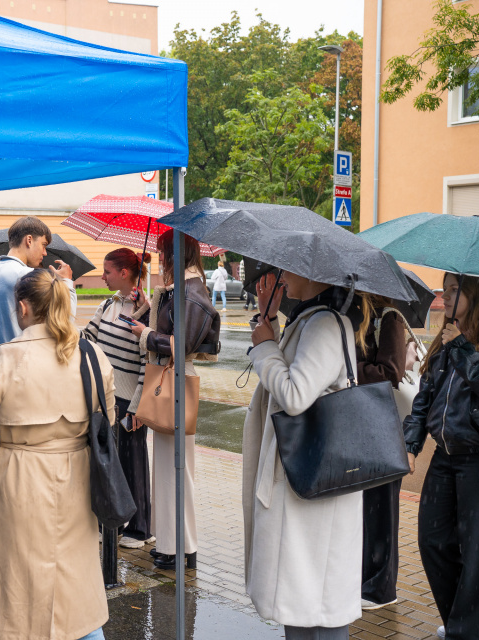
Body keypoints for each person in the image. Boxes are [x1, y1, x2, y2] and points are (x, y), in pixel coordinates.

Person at [0, 269, 114, 640]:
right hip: (76, 476)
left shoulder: (4, 358)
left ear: (22, 307)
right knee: (76, 583)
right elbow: (107, 422)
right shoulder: (91, 354)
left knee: (17, 584)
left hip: (19, 478)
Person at [243, 270, 366, 639]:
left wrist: (265, 346)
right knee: (302, 603)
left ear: (315, 275)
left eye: (289, 269)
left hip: (309, 483)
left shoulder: (325, 325)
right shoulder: (312, 319)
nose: (281, 276)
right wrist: (269, 324)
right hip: (306, 480)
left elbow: (295, 395)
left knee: (315, 606)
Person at [403, 274, 479, 640]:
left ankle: (470, 630)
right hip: (446, 456)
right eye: (445, 289)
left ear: (477, 293)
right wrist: (412, 442)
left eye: (454, 290)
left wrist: (465, 348)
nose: (445, 297)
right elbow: (426, 394)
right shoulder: (448, 335)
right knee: (433, 540)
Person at [129, 231, 219, 570]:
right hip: (170, 377)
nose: (159, 255)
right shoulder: (180, 288)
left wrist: (147, 336)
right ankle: (170, 543)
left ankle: (184, 548)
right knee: (168, 468)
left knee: (179, 470)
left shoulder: (191, 291)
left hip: (175, 377)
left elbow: (182, 344)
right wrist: (146, 308)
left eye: (162, 251)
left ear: (173, 253)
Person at [82, 248, 153, 549]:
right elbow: (87, 338)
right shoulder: (107, 305)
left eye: (107, 272)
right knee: (108, 462)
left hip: (129, 400)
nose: (102, 276)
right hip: (106, 398)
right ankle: (114, 521)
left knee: (133, 462)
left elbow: (147, 363)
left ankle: (140, 528)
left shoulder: (146, 312)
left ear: (124, 273)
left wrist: (137, 406)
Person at [355, 295, 409, 611]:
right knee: (366, 508)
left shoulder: (389, 317)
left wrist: (350, 369)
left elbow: (390, 373)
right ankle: (365, 580)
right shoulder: (356, 317)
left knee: (381, 510)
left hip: (383, 428)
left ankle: (381, 588)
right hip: (362, 424)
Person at [0, 216, 76, 364]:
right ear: (29, 240)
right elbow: (65, 322)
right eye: (43, 245)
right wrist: (67, 282)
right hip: (28, 369)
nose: (45, 252)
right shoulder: (28, 277)